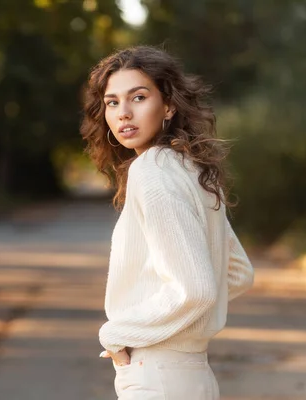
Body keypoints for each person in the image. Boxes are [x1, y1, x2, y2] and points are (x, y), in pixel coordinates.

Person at [79, 45, 255, 399]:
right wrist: (185, 327)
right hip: (193, 375)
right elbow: (236, 273)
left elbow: (196, 289)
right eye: (112, 102)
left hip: (156, 375)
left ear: (169, 105)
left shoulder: (152, 170)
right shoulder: (191, 168)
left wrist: (118, 333)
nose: (124, 113)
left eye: (138, 97)